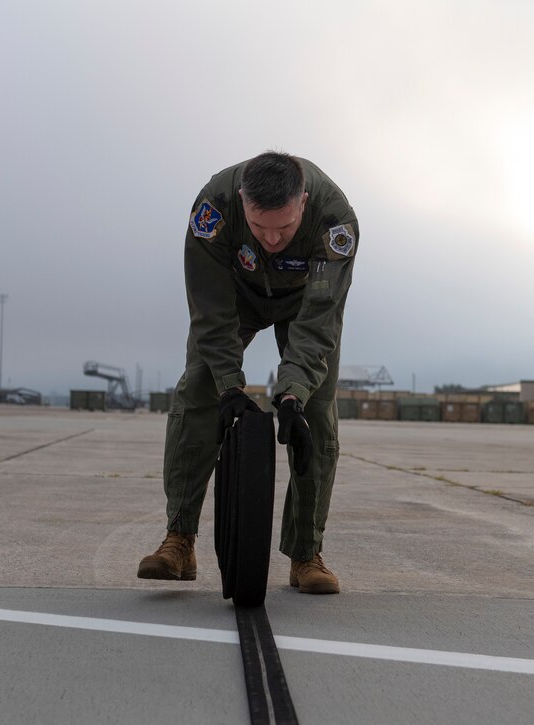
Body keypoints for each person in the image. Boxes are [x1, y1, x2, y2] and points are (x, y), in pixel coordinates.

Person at [137, 151, 358, 595]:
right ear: (242, 201)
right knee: (198, 387)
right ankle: (179, 540)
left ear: (305, 201)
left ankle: (305, 555)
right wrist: (229, 388)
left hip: (302, 302)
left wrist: (292, 394)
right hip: (237, 295)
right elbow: (210, 311)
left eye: (285, 228)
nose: (272, 239)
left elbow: (319, 324)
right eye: (259, 228)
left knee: (314, 412)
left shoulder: (335, 221)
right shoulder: (212, 210)